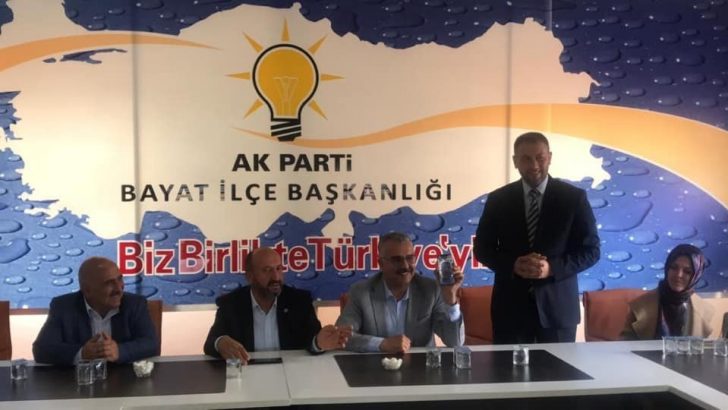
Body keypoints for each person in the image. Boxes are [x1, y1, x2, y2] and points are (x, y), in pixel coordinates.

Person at [474, 132, 600, 344]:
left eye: (540, 158)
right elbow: (482, 249)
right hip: (510, 311)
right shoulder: (498, 200)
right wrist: (513, 265)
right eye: (526, 159)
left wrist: (552, 268)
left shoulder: (573, 198)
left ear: (549, 157)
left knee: (558, 367)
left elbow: (591, 251)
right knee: (509, 367)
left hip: (558, 311)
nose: (534, 165)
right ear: (515, 161)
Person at [203, 247, 351, 361]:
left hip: (292, 377)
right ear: (250, 276)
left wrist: (319, 343)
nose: (276, 277)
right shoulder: (231, 303)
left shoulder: (299, 300)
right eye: (267, 270)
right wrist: (220, 342)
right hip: (248, 375)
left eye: (279, 269)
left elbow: (312, 340)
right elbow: (210, 343)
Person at [336, 232, 464, 353]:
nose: (405, 266)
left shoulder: (431, 289)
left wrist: (450, 298)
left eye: (409, 258)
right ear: (381, 263)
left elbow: (455, 342)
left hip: (420, 366)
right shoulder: (361, 292)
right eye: (397, 260)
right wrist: (381, 344)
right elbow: (341, 337)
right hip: (376, 366)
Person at [33, 257, 159, 365]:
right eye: (109, 283)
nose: (119, 289)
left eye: (120, 279)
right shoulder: (63, 307)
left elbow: (151, 343)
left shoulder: (135, 304)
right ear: (87, 290)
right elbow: (42, 349)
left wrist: (119, 351)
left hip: (126, 380)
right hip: (78, 381)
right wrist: (82, 353)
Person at [621, 244, 715, 340]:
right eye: (674, 267)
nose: (679, 275)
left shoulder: (704, 310)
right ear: (667, 268)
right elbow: (625, 345)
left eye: (687, 271)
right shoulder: (639, 306)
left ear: (696, 276)